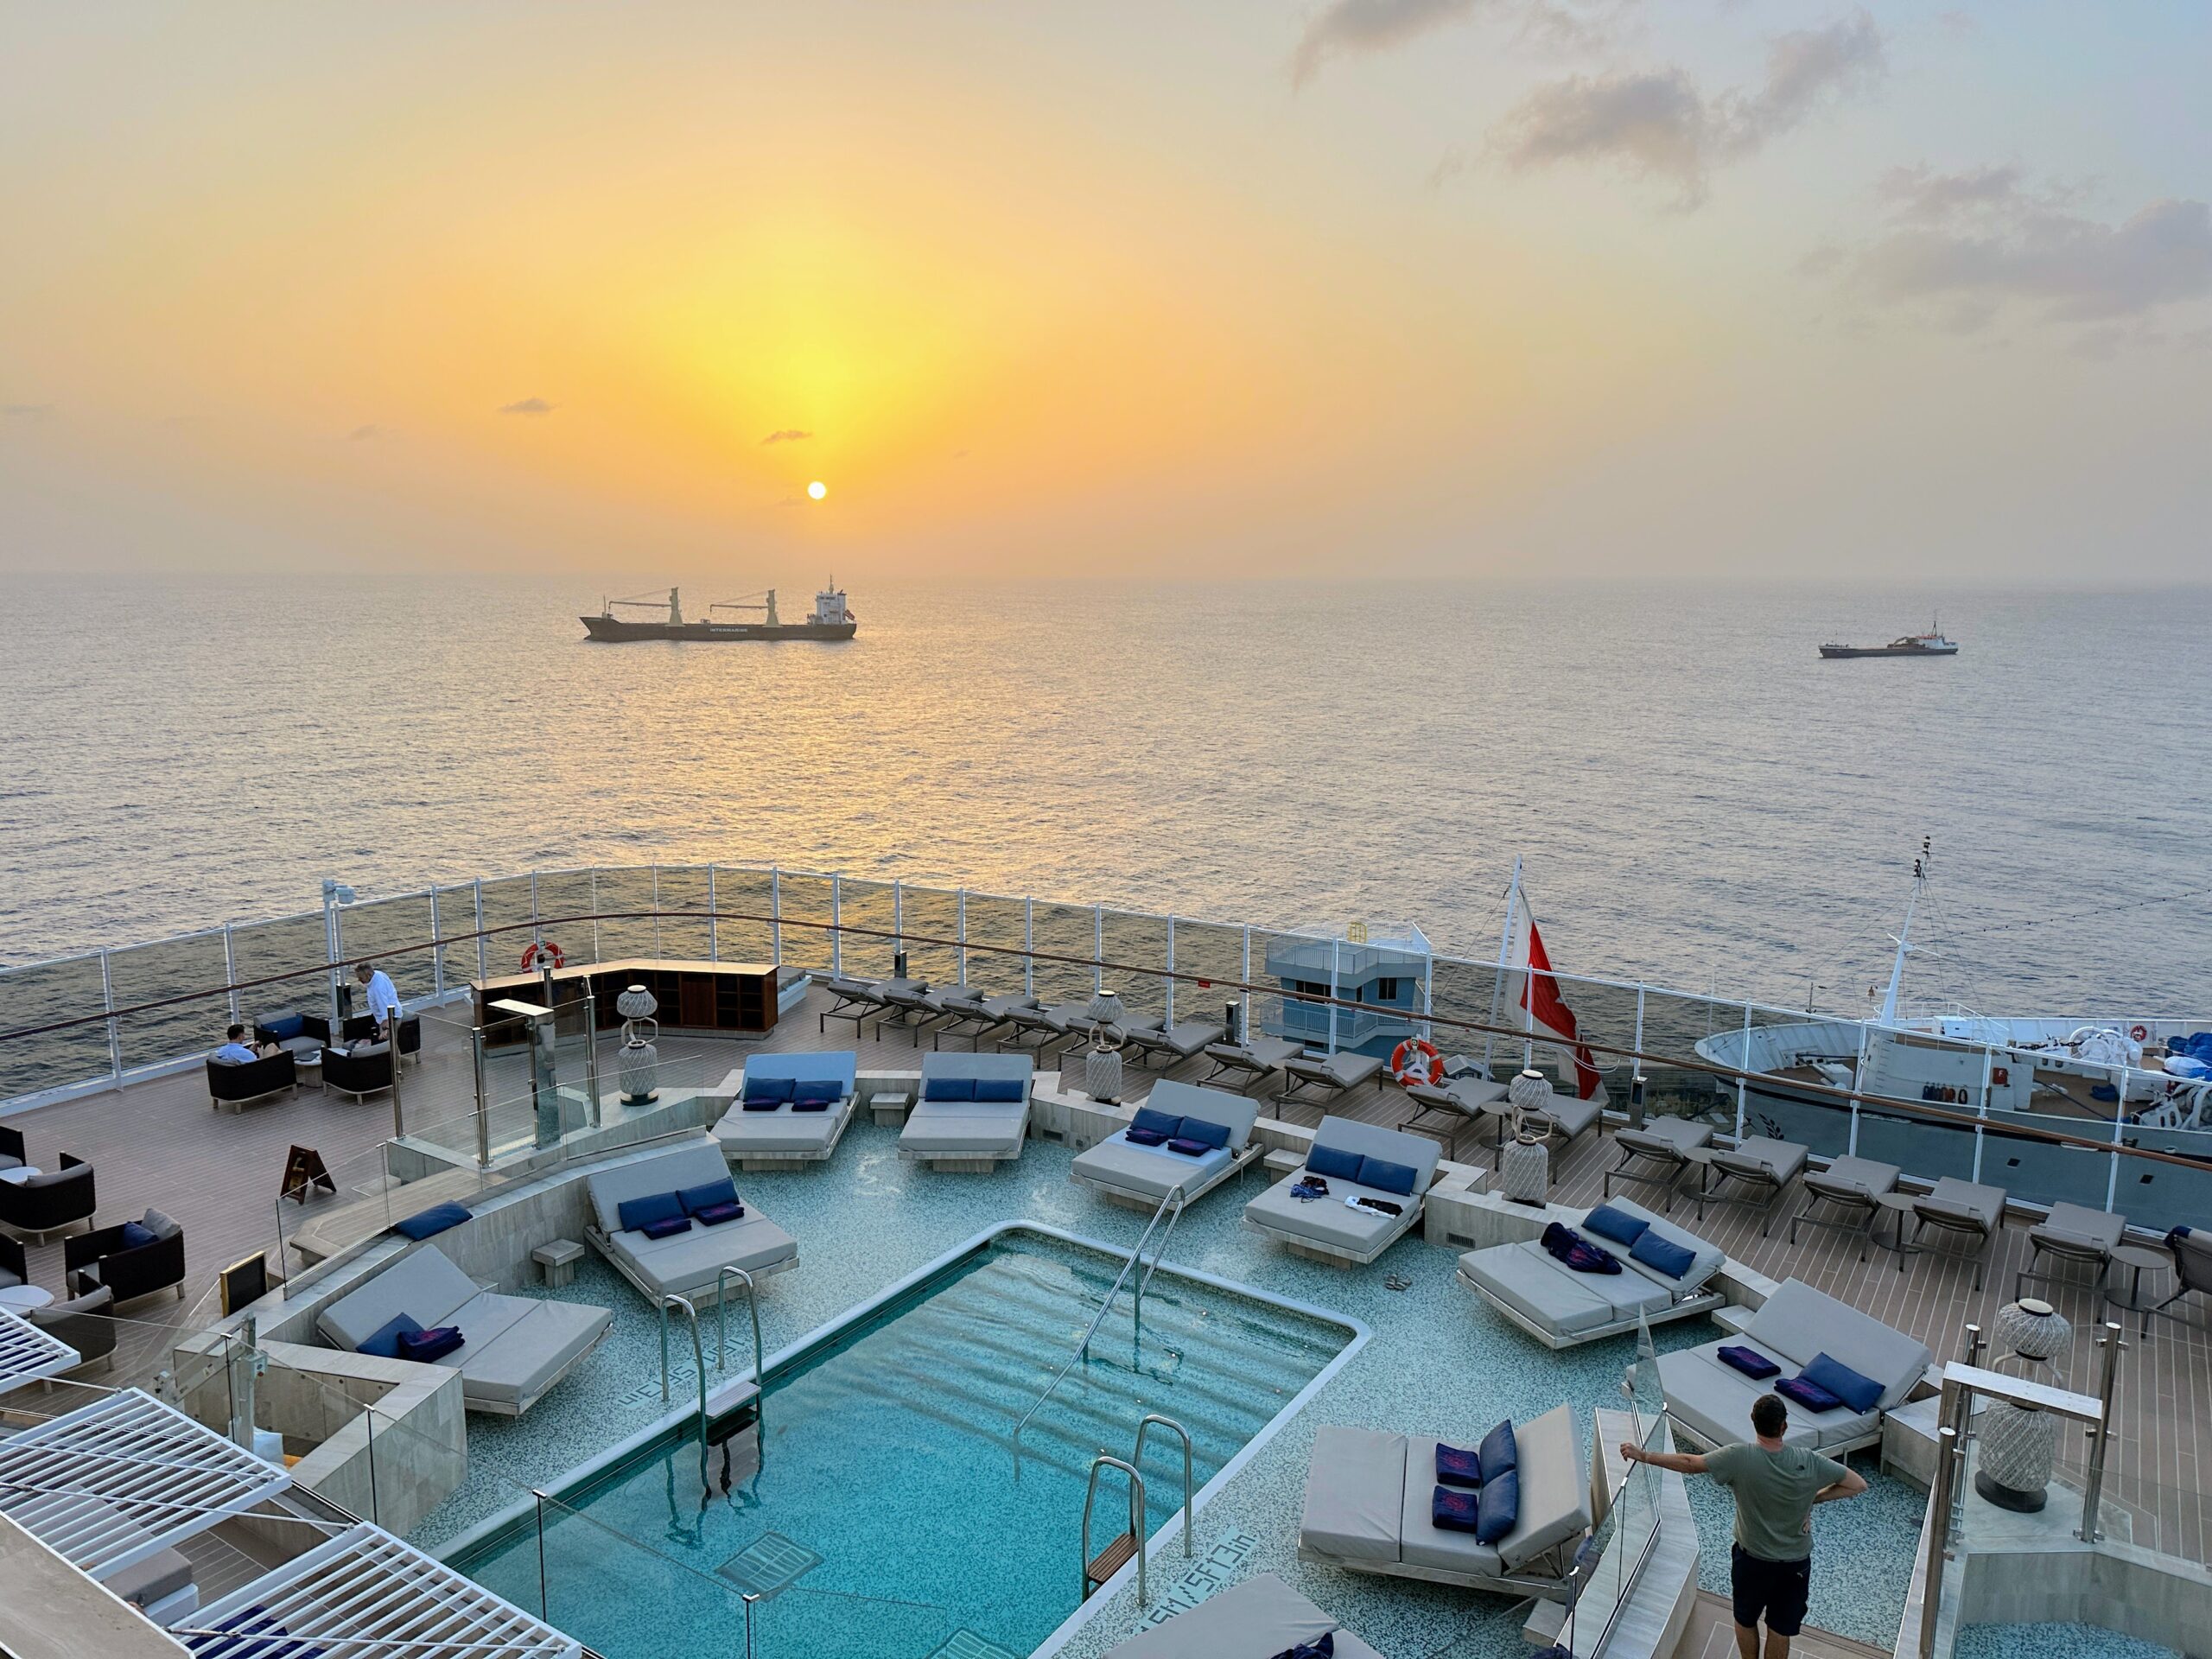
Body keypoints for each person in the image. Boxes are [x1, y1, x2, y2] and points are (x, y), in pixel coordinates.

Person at [1622, 1395, 1866, 1659]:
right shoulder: (1809, 1461)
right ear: (1784, 1426)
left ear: (1753, 1422)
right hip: (1794, 1565)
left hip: (1752, 1562)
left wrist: (1644, 1455)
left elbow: (1690, 1463)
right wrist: (1813, 1499)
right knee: (1780, 1629)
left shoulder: (1739, 1457)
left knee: (1745, 1619)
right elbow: (1857, 1484)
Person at [354, 961, 401, 1037]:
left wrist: (385, 1028)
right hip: (391, 1012)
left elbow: (384, 1005)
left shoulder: (377, 988)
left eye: (360, 977)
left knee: (386, 1042)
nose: (359, 980)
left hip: (389, 1018)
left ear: (368, 975)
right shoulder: (378, 974)